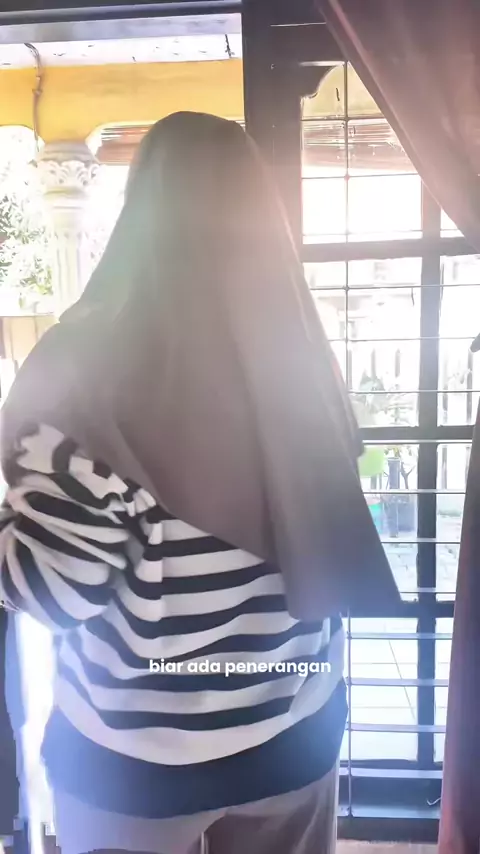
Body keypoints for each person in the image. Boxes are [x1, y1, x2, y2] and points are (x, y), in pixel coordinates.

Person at [0, 112, 399, 854]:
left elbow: (52, 593)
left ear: (139, 214)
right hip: (292, 733)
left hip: (135, 765)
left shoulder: (81, 377)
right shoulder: (304, 361)